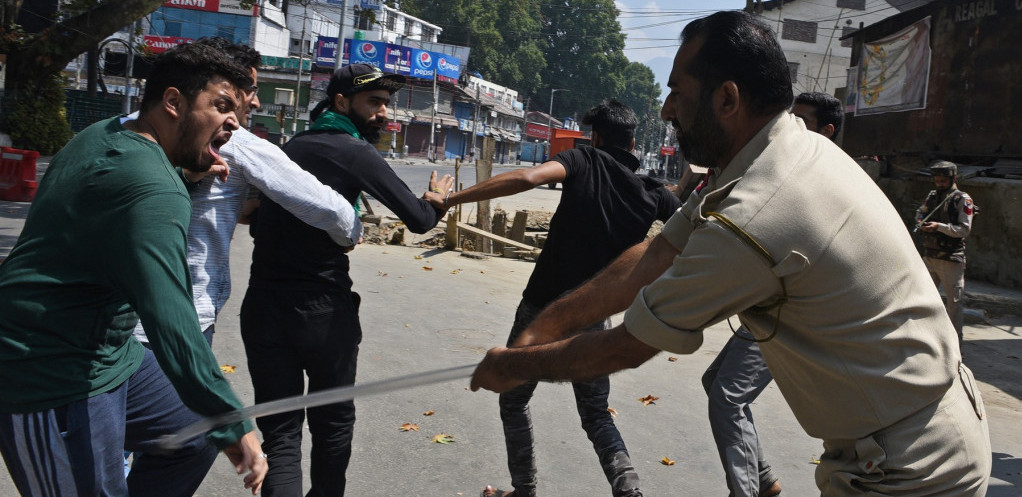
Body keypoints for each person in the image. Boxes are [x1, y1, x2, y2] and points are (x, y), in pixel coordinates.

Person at [471, 11, 990, 497]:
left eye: (676, 92)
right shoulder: (772, 155)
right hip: (910, 437)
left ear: (727, 99)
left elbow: (626, 346)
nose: (665, 110)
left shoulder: (760, 210)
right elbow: (657, 252)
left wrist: (520, 364)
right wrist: (545, 327)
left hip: (910, 468)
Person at [0, 42, 267, 496]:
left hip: (112, 353)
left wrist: (187, 170)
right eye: (222, 106)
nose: (234, 123)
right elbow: (173, 323)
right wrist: (231, 420)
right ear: (173, 102)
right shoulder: (154, 191)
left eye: (238, 112)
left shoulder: (108, 132)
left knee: (195, 436)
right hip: (46, 367)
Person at [433, 100, 681, 497]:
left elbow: (528, 178)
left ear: (595, 137)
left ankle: (525, 489)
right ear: (633, 141)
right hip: (595, 314)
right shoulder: (654, 192)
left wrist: (450, 200)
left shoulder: (584, 160)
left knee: (514, 400)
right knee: (597, 414)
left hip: (542, 309)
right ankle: (628, 488)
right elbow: (693, 235)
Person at [239, 63, 453, 497]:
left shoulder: (288, 148)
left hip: (263, 306)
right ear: (341, 102)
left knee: (280, 433)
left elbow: (257, 218)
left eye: (386, 104)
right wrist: (436, 200)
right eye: (374, 103)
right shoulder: (355, 152)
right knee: (332, 424)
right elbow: (417, 219)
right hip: (322, 310)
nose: (383, 114)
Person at [132, 37, 361, 347]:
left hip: (113, 314)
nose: (253, 102)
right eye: (250, 90)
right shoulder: (237, 144)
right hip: (179, 319)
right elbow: (327, 207)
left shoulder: (122, 130)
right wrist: (351, 233)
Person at [699, 90, 845, 497]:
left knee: (727, 397)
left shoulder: (826, 181)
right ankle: (762, 480)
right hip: (770, 305)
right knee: (717, 382)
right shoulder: (789, 170)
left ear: (827, 132)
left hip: (795, 311)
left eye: (803, 122)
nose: (790, 131)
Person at [915, 160, 974, 346]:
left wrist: (938, 227)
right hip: (930, 256)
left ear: (953, 178)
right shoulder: (932, 195)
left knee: (954, 305)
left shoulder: (963, 199)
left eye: (943, 180)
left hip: (951, 259)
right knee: (923, 300)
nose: (939, 184)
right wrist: (921, 222)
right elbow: (920, 212)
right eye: (937, 180)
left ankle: (955, 345)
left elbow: (964, 230)